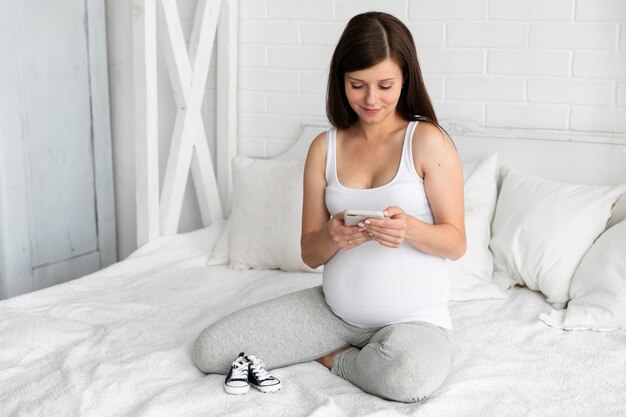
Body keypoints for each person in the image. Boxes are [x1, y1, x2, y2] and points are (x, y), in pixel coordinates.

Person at [192, 11, 466, 403]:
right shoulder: (325, 148)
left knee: (408, 377)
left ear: (406, 80)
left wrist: (411, 230)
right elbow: (309, 253)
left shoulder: (427, 141)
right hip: (333, 313)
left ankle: (337, 361)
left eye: (385, 85)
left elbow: (456, 243)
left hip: (414, 320)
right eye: (358, 85)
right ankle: (349, 351)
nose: (372, 99)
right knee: (210, 351)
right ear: (341, 81)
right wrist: (332, 236)